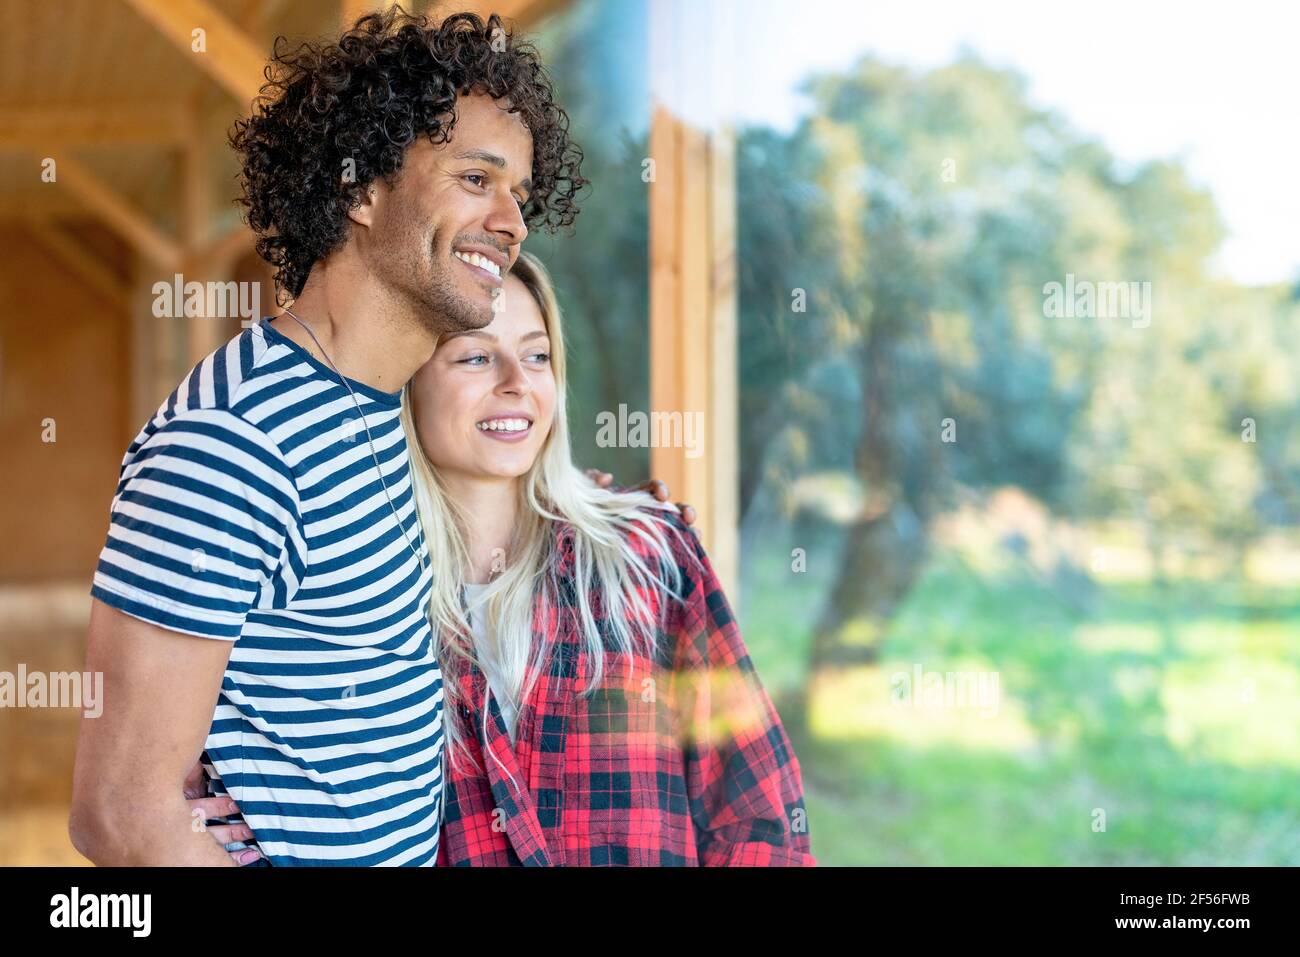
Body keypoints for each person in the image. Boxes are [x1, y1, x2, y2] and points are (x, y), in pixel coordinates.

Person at [69, 9, 689, 867]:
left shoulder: (379, 413)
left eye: (519, 192)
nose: (512, 221)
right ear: (361, 190)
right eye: (477, 178)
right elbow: (119, 813)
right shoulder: (231, 442)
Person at [404, 251, 815, 865]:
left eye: (537, 354)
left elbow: (759, 814)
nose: (518, 381)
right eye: (476, 356)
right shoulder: (362, 588)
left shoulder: (649, 555)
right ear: (406, 380)